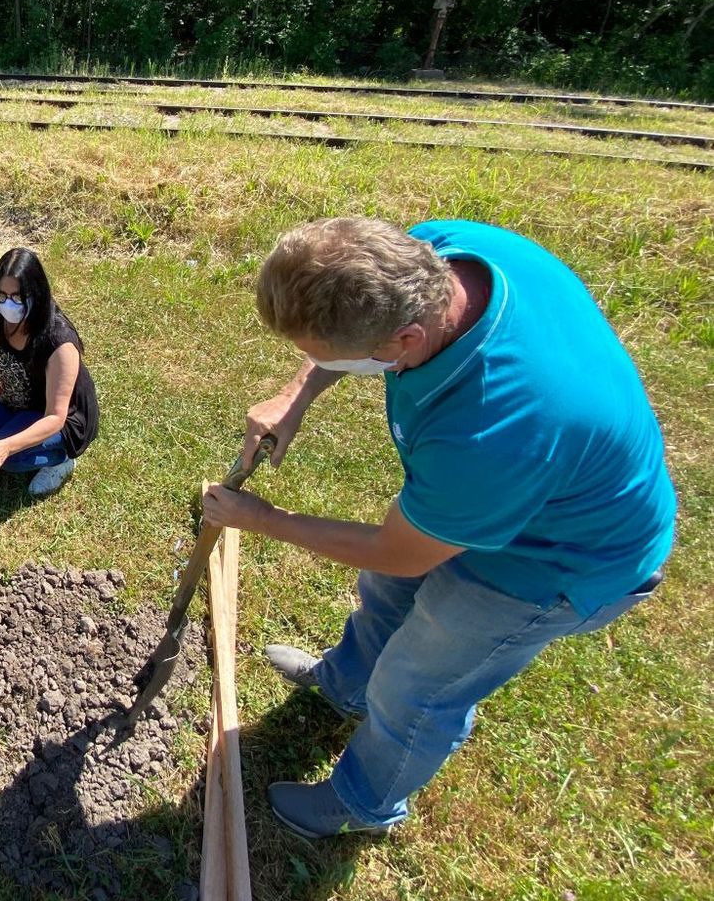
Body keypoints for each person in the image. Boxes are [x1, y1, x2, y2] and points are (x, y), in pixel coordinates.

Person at [202, 216, 676, 839]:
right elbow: (394, 565)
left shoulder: (492, 428)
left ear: (404, 341)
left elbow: (398, 551)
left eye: (326, 359)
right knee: (385, 599)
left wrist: (262, 519)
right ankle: (346, 685)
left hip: (560, 557)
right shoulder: (436, 255)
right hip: (494, 495)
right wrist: (297, 393)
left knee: (418, 683)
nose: (315, 365)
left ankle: (363, 803)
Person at [0, 247, 98, 497]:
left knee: (9, 460)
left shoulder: (59, 341)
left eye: (17, 297)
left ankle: (61, 460)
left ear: (36, 294)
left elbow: (55, 416)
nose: (8, 304)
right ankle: (14, 436)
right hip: (15, 399)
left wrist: (6, 446)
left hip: (56, 416)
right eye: (1, 295)